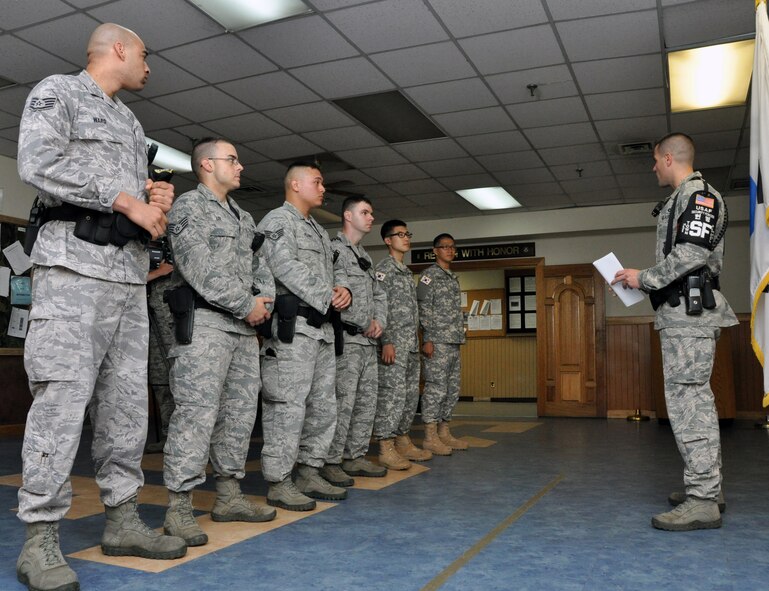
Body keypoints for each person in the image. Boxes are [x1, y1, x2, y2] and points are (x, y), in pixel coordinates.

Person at [15, 23, 186, 591]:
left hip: (127, 278)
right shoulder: (57, 92)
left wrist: (152, 196)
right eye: (145, 53)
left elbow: (135, 194)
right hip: (72, 271)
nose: (149, 65)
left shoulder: (131, 122)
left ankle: (123, 519)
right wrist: (122, 198)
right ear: (118, 49)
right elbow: (35, 162)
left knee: (125, 408)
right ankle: (39, 540)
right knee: (61, 401)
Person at [612, 132, 737, 531]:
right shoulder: (683, 198)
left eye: (654, 160)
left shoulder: (699, 196)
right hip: (682, 313)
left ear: (669, 158)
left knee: (688, 404)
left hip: (689, 315)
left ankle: (702, 499)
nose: (652, 168)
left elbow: (691, 254)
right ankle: (707, 488)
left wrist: (643, 277)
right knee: (696, 403)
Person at [162, 137, 277, 546]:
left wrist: (264, 301)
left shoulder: (245, 218)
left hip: (244, 331)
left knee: (240, 415)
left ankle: (228, 495)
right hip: (207, 327)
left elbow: (261, 267)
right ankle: (178, 508)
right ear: (207, 165)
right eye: (233, 159)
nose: (241, 166)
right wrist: (247, 303)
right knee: (196, 416)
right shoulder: (188, 207)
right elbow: (198, 269)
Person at [256, 162, 352, 511]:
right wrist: (328, 294)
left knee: (323, 405)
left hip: (322, 330)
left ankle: (310, 469)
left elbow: (333, 273)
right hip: (293, 329)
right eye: (318, 181)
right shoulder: (278, 222)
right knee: (287, 406)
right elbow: (284, 267)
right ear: (295, 185)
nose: (323, 188)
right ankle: (280, 480)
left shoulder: (318, 230)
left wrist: (344, 292)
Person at [320, 196, 388, 487]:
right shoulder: (334, 250)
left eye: (371, 212)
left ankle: (356, 455)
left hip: (367, 342)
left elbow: (379, 295)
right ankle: (332, 460)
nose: (371, 217)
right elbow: (333, 293)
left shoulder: (365, 255)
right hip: (345, 340)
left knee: (365, 403)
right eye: (365, 212)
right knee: (341, 404)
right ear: (348, 216)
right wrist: (361, 320)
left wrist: (379, 322)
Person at [373, 220, 432, 470]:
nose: (406, 238)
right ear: (388, 240)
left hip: (410, 345)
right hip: (393, 345)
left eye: (407, 234)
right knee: (392, 396)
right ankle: (385, 447)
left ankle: (403, 440)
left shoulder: (406, 272)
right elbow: (379, 307)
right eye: (400, 234)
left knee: (409, 396)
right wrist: (386, 340)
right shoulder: (383, 270)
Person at [417, 233, 468, 455]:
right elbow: (423, 308)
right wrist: (427, 338)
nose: (449, 250)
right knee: (435, 388)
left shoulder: (451, 277)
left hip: (454, 340)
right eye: (444, 247)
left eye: (452, 247)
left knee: (451, 389)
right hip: (436, 341)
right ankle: (430, 436)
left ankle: (444, 432)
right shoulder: (429, 276)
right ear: (435, 250)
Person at [145, 256, 175, 453]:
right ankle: (167, 435)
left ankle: (188, 438)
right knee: (160, 379)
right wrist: (156, 272)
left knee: (183, 380)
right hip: (148, 319)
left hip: (176, 321)